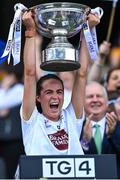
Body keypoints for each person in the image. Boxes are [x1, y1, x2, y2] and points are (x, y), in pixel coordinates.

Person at [20, 9, 100, 156]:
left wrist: (87, 31)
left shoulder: (71, 117)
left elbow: (81, 75)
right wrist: (30, 30)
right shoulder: (31, 120)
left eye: (59, 92)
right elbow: (30, 74)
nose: (55, 97)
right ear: (38, 97)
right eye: (48, 92)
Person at [80, 81, 120, 178]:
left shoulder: (118, 126)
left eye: (99, 96)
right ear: (82, 102)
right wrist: (85, 141)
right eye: (90, 96)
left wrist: (111, 135)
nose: (95, 100)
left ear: (107, 103)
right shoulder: (76, 128)